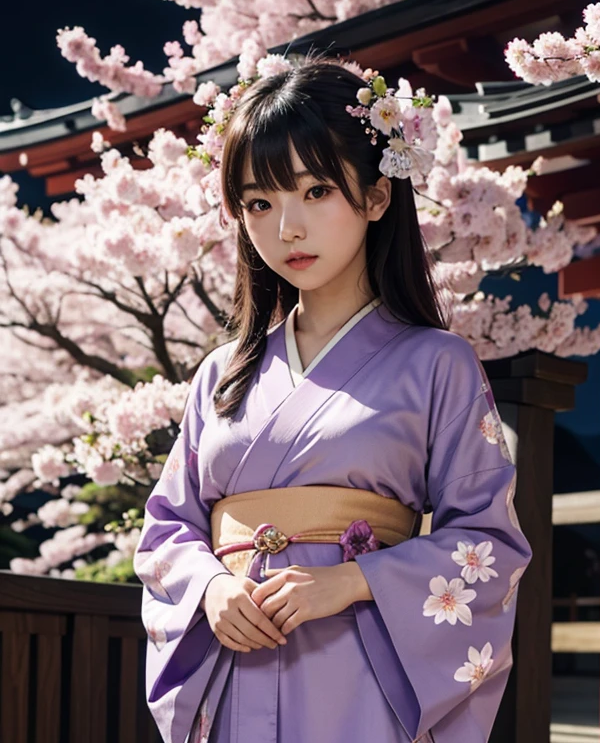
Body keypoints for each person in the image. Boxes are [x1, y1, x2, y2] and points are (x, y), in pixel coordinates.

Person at [134, 56, 531, 743]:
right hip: (235, 658)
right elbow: (169, 528)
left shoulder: (438, 364)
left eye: (315, 191)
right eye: (259, 202)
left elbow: (486, 542)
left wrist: (354, 582)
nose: (285, 227)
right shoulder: (220, 375)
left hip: (361, 665)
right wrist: (212, 588)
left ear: (376, 196)